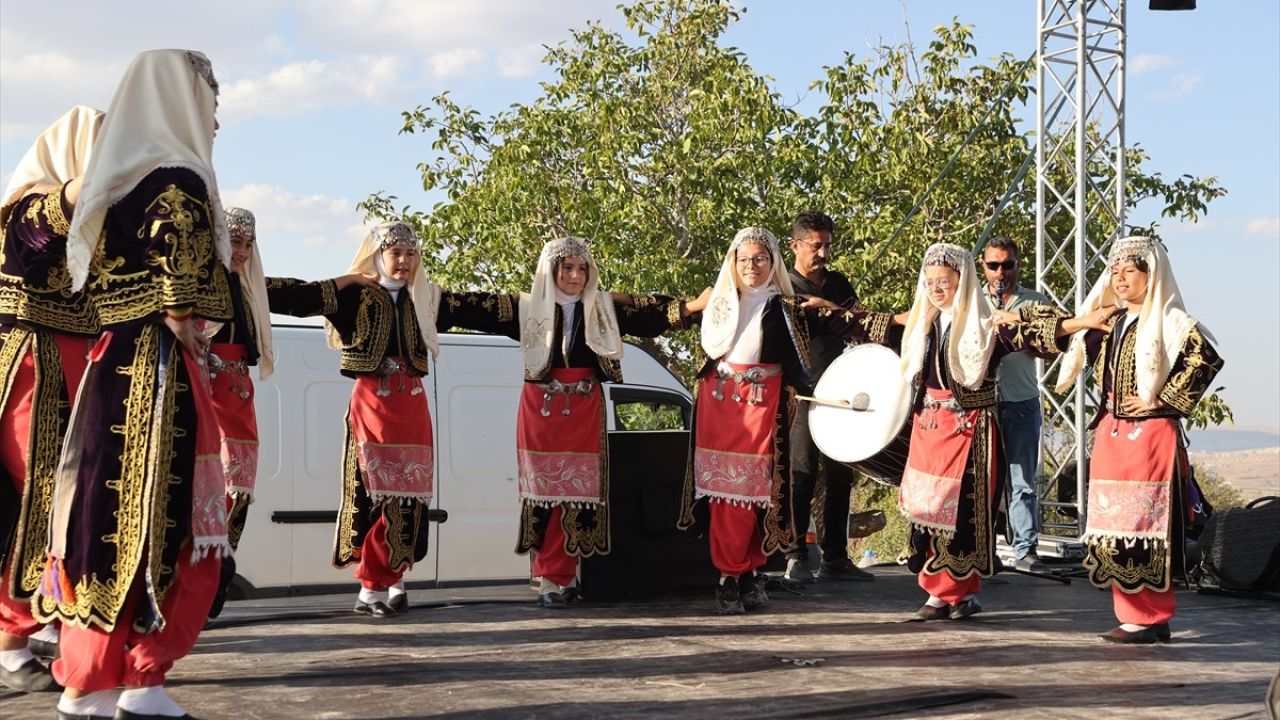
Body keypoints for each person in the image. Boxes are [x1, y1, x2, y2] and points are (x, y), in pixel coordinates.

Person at [33, 50, 233, 720]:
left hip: (109, 361)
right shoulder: (179, 179)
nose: (216, 115)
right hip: (159, 366)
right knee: (168, 522)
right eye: (211, 98)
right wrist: (193, 331)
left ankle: (90, 680)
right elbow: (181, 299)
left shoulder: (114, 181)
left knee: (99, 519)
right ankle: (144, 678)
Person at [812, 242, 1099, 621]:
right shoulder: (919, 325)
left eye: (944, 281)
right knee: (927, 512)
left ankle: (947, 593)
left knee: (960, 516)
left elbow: (1036, 333)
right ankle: (952, 594)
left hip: (969, 432)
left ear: (961, 282)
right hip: (929, 429)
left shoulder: (985, 327)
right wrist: (829, 312)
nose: (936, 288)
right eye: (930, 281)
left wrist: (1080, 323)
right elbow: (866, 323)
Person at [443, 236, 698, 607]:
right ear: (551, 270)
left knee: (578, 494)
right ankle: (549, 578)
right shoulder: (527, 307)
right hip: (541, 410)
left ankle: (566, 575)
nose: (575, 276)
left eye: (582, 268)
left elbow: (649, 312)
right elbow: (469, 307)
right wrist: (421, 293)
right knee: (546, 494)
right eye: (567, 268)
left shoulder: (603, 309)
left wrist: (695, 305)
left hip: (583, 407)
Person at [680, 226, 879, 615]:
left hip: (764, 408)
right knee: (724, 494)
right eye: (744, 260)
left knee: (761, 493)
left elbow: (852, 324)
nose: (751, 266)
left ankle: (749, 570)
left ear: (773, 263)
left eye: (760, 259)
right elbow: (655, 314)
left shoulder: (790, 307)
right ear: (733, 263)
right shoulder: (719, 301)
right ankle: (729, 575)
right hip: (720, 406)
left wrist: (911, 319)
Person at [203, 207, 374, 619]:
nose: (240, 251)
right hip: (202, 397)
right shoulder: (194, 285)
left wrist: (350, 279)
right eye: (233, 242)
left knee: (236, 492)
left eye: (247, 244)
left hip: (238, 399)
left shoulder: (252, 289)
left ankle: (211, 587)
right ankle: (189, 590)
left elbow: (302, 296)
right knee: (203, 490)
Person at [1053, 235, 1222, 644]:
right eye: (1115, 271)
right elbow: (1067, 341)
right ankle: (1132, 613)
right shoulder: (1108, 321)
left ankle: (1153, 615)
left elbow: (1206, 358)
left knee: (1147, 522)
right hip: (1113, 433)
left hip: (1149, 436)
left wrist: (1162, 401)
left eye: (1131, 271)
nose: (1121, 277)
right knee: (1115, 522)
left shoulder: (1170, 319)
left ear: (1152, 275)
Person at [0, 106, 102, 693]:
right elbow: (65, 206)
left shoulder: (101, 224)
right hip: (35, 364)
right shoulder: (30, 206)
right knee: (41, 495)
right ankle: (12, 643)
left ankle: (37, 627)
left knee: (69, 499)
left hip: (79, 364)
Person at [782, 211, 873, 583]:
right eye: (815, 245)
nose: (822, 252)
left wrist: (835, 310)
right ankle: (794, 554)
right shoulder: (781, 284)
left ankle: (835, 557)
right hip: (801, 395)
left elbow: (862, 322)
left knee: (840, 477)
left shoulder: (837, 283)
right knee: (801, 474)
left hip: (840, 392)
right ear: (796, 245)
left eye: (827, 245)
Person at [981, 237, 1052, 573]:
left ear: (1017, 265)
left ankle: (1025, 549)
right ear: (983, 266)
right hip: (981, 404)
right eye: (993, 265)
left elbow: (1050, 345)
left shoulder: (1034, 302)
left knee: (1021, 480)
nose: (1000, 272)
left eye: (1007, 265)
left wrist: (1017, 324)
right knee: (983, 481)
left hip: (1021, 400)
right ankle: (983, 549)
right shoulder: (972, 301)